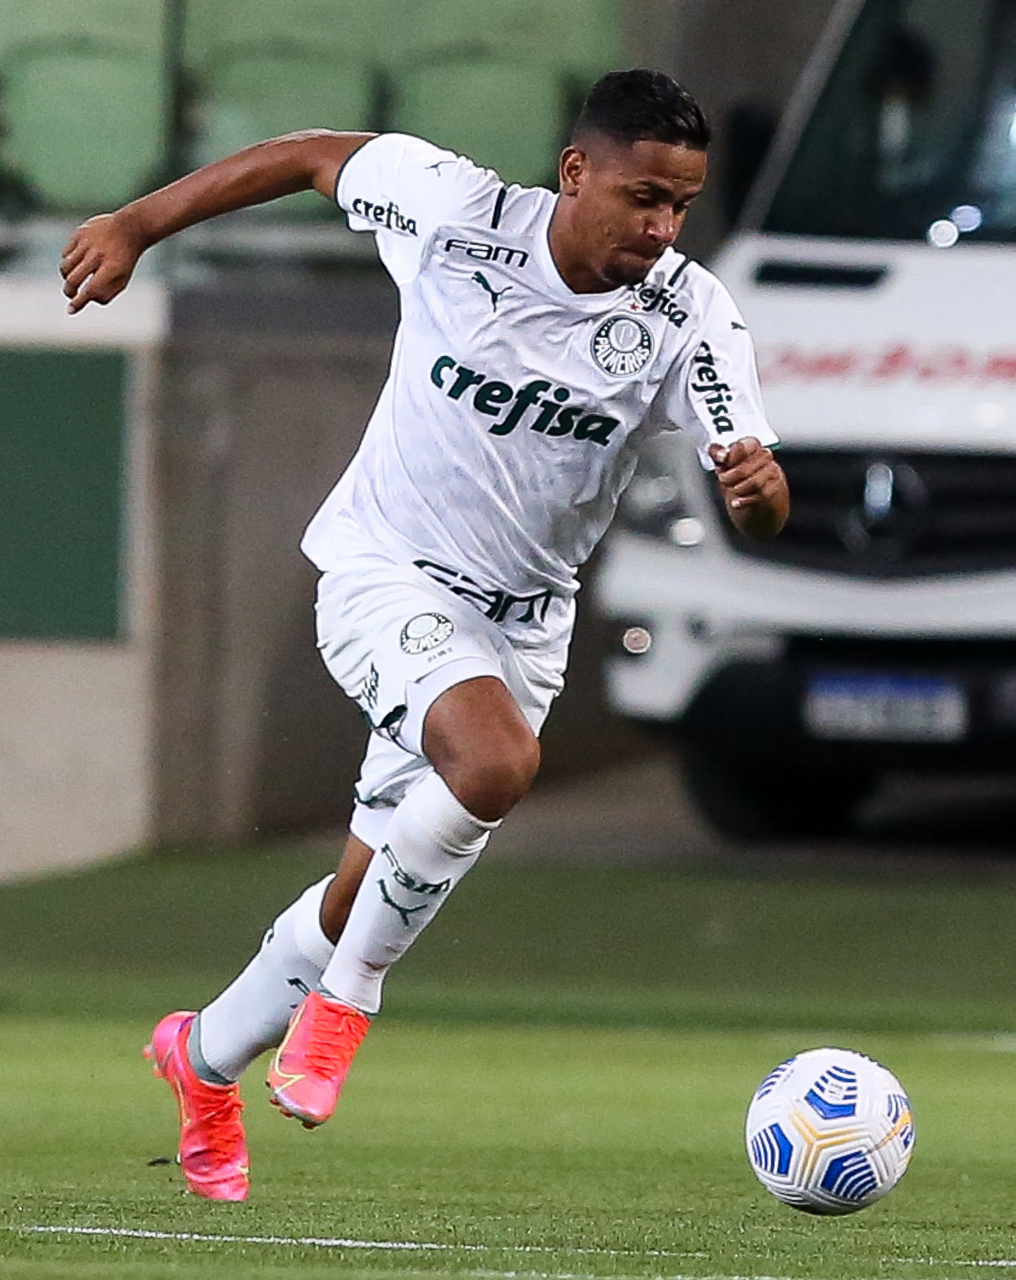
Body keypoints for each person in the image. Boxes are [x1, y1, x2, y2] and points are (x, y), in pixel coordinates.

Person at [61, 68, 789, 1201]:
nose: (661, 227)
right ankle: (346, 1006)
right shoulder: (455, 214)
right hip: (384, 573)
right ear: (576, 172)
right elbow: (307, 152)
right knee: (494, 764)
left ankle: (201, 1056)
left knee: (361, 892)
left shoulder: (688, 313)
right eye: (643, 197)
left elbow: (757, 487)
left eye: (680, 206)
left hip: (521, 631)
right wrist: (138, 224)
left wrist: (759, 494)